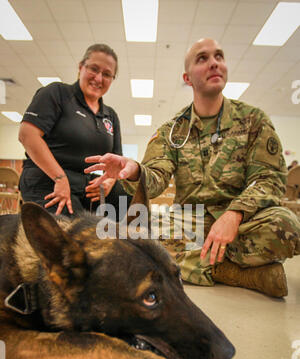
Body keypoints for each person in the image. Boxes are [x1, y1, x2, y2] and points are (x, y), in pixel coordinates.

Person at [84, 38, 300, 298]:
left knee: (286, 226)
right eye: (203, 58)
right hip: (190, 221)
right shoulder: (173, 130)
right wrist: (135, 170)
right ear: (187, 78)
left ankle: (190, 265)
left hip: (243, 221)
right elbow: (157, 176)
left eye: (219, 56)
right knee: (132, 236)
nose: (214, 63)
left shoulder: (253, 120)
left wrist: (235, 214)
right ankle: (237, 273)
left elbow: (270, 179)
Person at [18, 43, 131, 217]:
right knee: (77, 231)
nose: (99, 78)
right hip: (47, 178)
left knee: (128, 201)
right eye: (94, 69)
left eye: (107, 74)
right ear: (81, 67)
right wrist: (59, 178)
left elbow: (116, 162)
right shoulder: (57, 93)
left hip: (86, 184)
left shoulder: (110, 115)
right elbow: (27, 135)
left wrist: (109, 181)